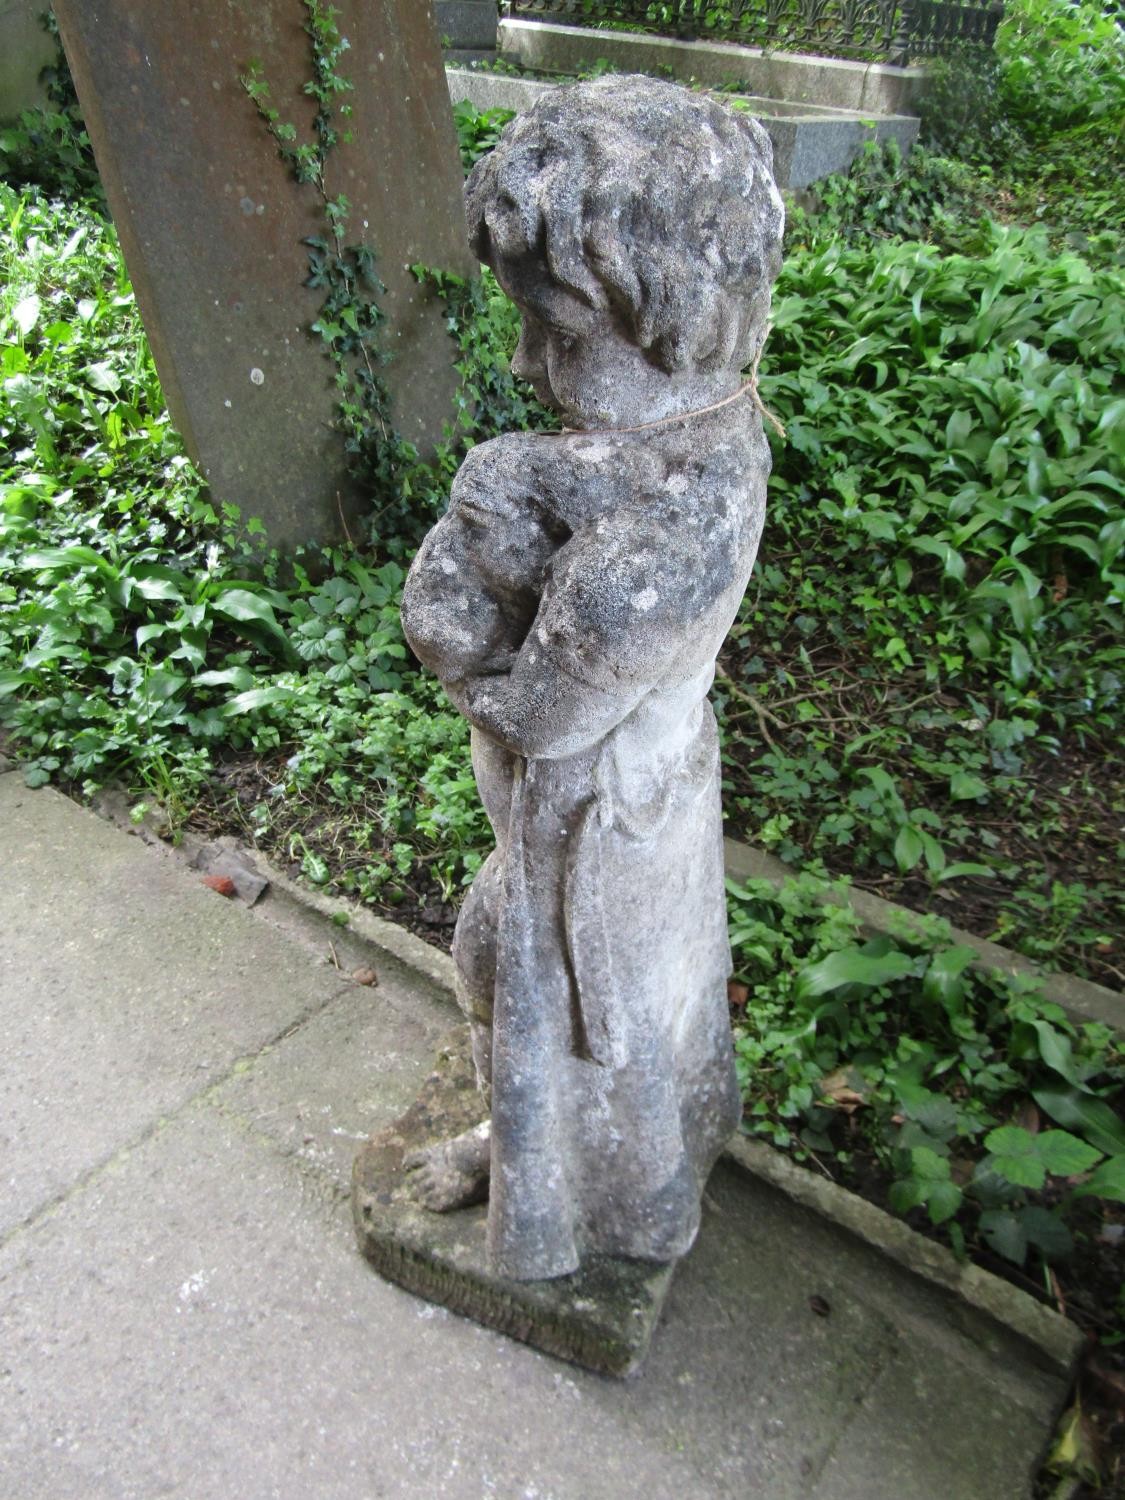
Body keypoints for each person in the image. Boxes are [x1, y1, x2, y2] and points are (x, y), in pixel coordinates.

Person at [399, 75, 785, 1282]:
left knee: (556, 1014)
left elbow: (536, 713)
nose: (525, 361)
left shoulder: (660, 548)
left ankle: (574, 1215)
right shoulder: (710, 435)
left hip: (592, 830)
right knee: (536, 988)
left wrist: (468, 591)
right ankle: (577, 1170)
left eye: (559, 334)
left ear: (671, 319)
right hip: (646, 801)